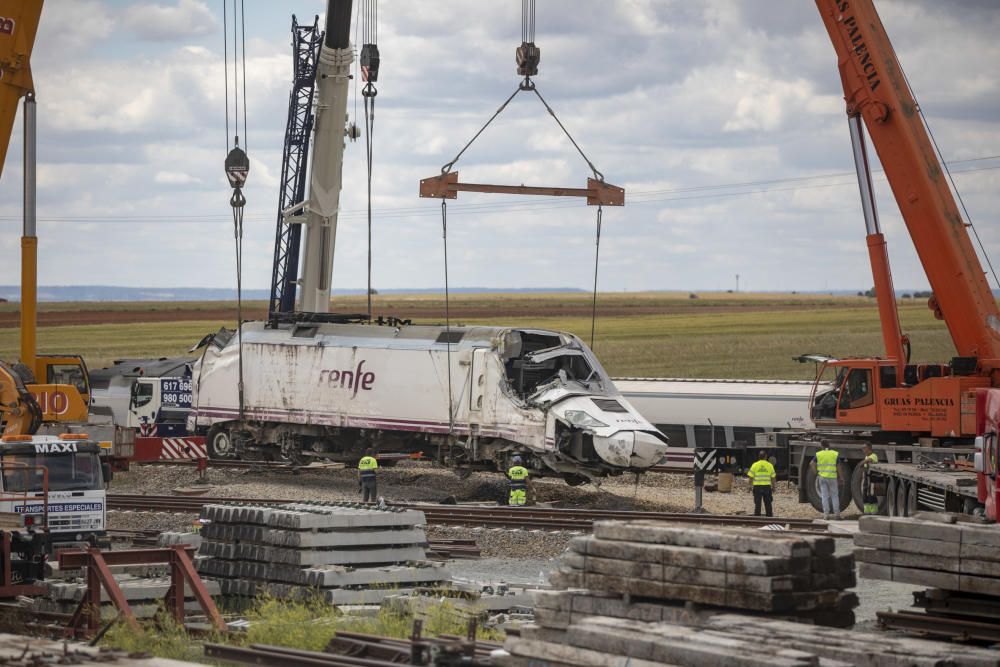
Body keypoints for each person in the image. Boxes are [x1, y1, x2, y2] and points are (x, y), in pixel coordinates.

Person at [811, 441, 843, 520]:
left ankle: (826, 515)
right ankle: (837, 515)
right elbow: (839, 467)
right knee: (834, 496)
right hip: (832, 477)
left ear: (822, 446)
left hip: (822, 477)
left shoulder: (819, 454)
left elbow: (811, 463)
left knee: (824, 497)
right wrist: (841, 477)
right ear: (829, 445)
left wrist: (816, 473)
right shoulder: (835, 454)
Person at [747, 450, 776, 517]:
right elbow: (773, 477)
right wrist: (773, 487)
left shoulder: (754, 465)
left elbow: (750, 477)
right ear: (766, 456)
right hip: (767, 487)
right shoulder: (770, 465)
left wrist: (749, 486)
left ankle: (757, 517)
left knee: (757, 503)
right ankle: (769, 516)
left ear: (759, 457)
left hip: (757, 487)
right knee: (768, 503)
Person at [861, 443, 879, 515]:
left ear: (869, 448)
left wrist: (862, 463)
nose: (863, 450)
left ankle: (873, 512)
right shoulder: (866, 456)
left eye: (864, 448)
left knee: (872, 495)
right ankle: (867, 512)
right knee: (865, 496)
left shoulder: (873, 456)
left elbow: (868, 460)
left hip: (872, 479)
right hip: (866, 479)